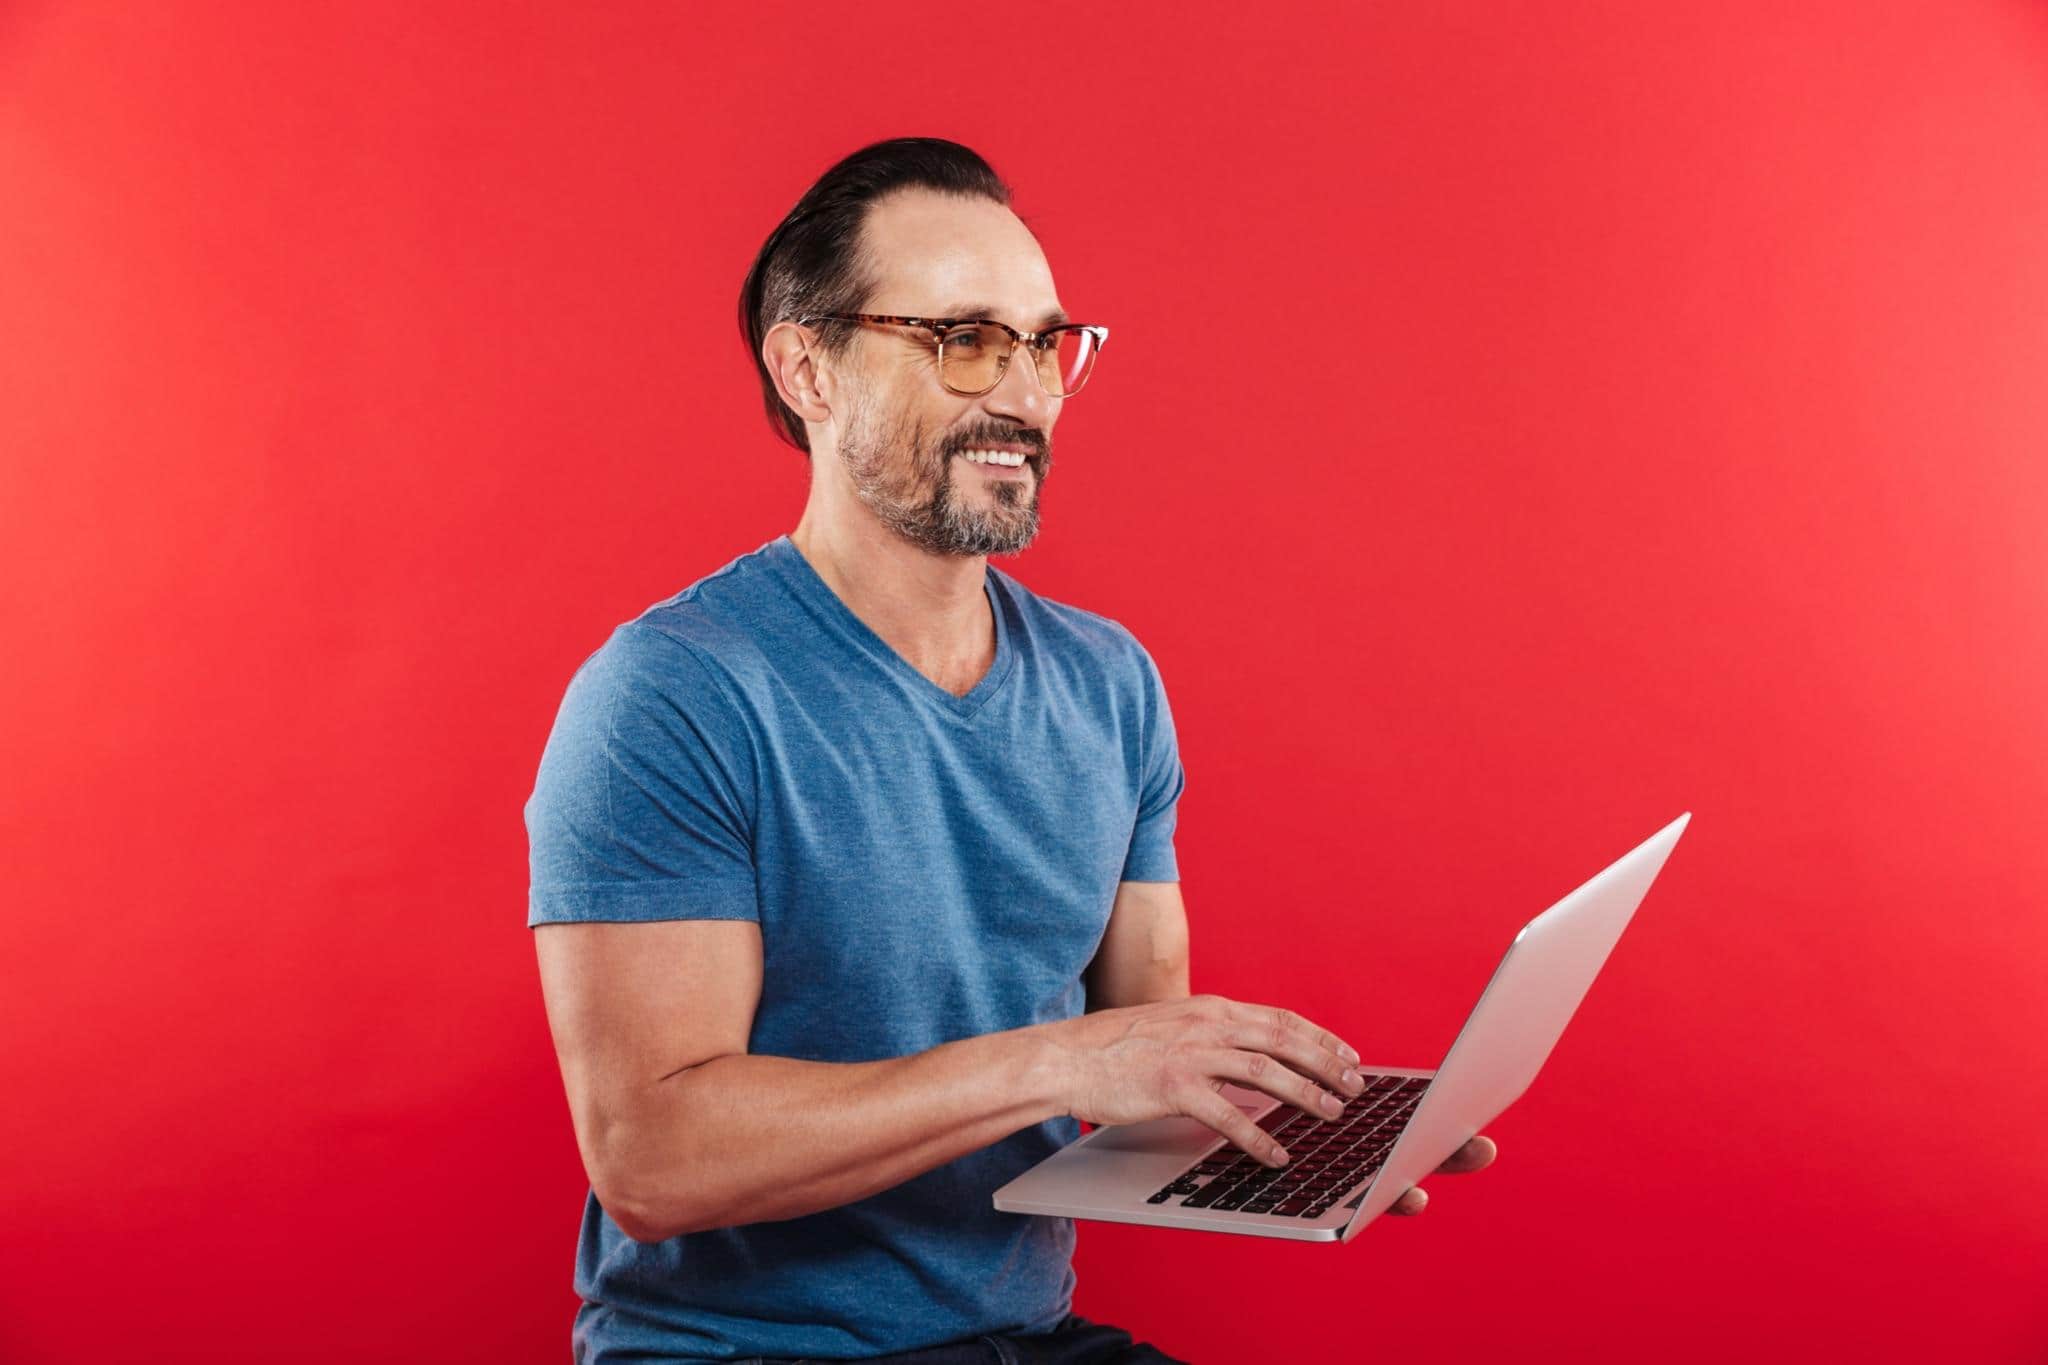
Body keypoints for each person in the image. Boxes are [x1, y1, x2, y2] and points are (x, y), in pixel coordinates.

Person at [525, 136, 1497, 1365]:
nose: (1025, 392)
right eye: (964, 341)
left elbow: (1135, 1051)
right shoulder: (673, 695)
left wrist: (1302, 1133)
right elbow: (653, 1164)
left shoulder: (1108, 683)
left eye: (1045, 344)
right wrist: (1061, 1060)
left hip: (1023, 1339)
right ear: (807, 370)